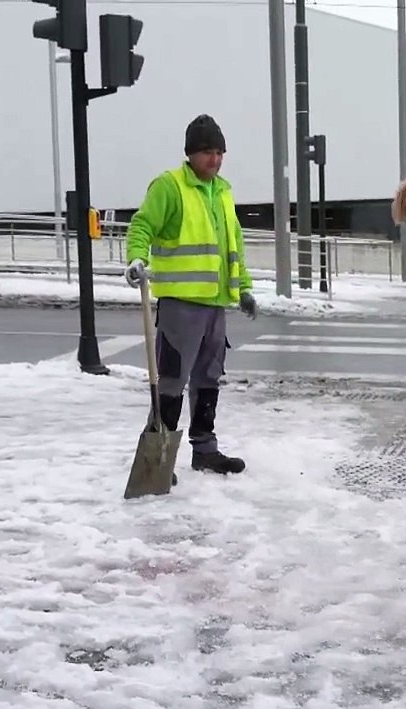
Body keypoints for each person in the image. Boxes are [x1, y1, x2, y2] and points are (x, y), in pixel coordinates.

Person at [124, 114, 256, 477]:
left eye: (219, 152)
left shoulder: (223, 191)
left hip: (215, 304)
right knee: (171, 380)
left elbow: (234, 247)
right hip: (181, 303)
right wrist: (137, 257)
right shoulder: (170, 187)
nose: (214, 160)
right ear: (190, 154)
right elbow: (142, 225)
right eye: (207, 153)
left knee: (208, 379)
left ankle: (205, 450)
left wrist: (243, 288)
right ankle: (159, 456)